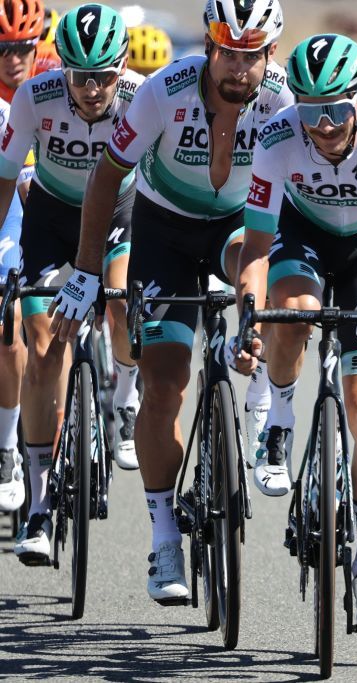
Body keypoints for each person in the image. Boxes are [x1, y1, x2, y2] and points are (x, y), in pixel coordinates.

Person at [48, 0, 290, 604]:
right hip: (164, 230)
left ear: (270, 54)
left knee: (272, 287)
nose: (238, 67)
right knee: (163, 385)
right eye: (226, 52)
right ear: (209, 46)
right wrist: (83, 271)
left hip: (239, 227)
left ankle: (262, 398)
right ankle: (163, 540)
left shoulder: (284, 99)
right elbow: (107, 177)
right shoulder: (164, 91)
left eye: (250, 54)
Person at [233, 33, 357, 628]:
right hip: (301, 236)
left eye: (335, 110)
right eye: (309, 111)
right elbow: (254, 244)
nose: (323, 126)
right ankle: (278, 419)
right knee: (294, 310)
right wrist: (248, 314)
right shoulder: (277, 137)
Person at [0, 2, 143, 564]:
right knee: (43, 344)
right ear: (62, 70)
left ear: (122, 66)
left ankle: (125, 407)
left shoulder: (139, 96)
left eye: (103, 76)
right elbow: (7, 178)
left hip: (121, 216)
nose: (91, 89)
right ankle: (37, 504)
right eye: (79, 77)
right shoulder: (37, 98)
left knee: (123, 306)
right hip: (53, 220)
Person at [0, 0, 60, 518]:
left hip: (43, 204)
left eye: (22, 46)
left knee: (29, 328)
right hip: (4, 201)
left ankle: (19, 453)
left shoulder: (51, 75)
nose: (14, 58)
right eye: (2, 49)